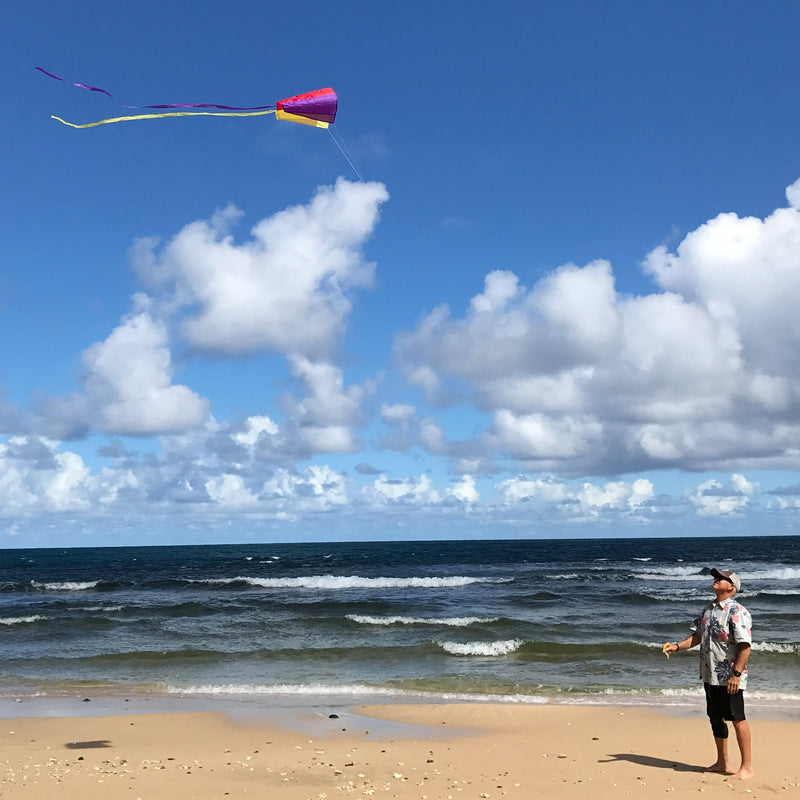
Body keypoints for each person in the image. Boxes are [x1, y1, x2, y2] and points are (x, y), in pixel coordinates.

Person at [663, 568, 753, 780]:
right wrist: (676, 646)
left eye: (721, 578)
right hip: (709, 674)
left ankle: (747, 767)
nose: (716, 579)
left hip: (729, 676)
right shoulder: (708, 609)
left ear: (731, 586)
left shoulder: (737, 611)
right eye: (716, 576)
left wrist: (736, 674)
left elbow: (744, 645)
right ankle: (722, 761)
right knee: (715, 718)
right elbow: (697, 636)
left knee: (737, 718)